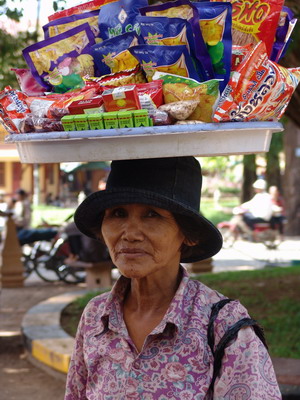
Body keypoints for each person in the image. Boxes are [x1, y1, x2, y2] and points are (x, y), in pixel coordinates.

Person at [64, 157, 281, 399]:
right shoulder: (96, 316)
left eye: (151, 215)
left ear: (188, 235)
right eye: (118, 213)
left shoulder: (223, 325)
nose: (131, 234)